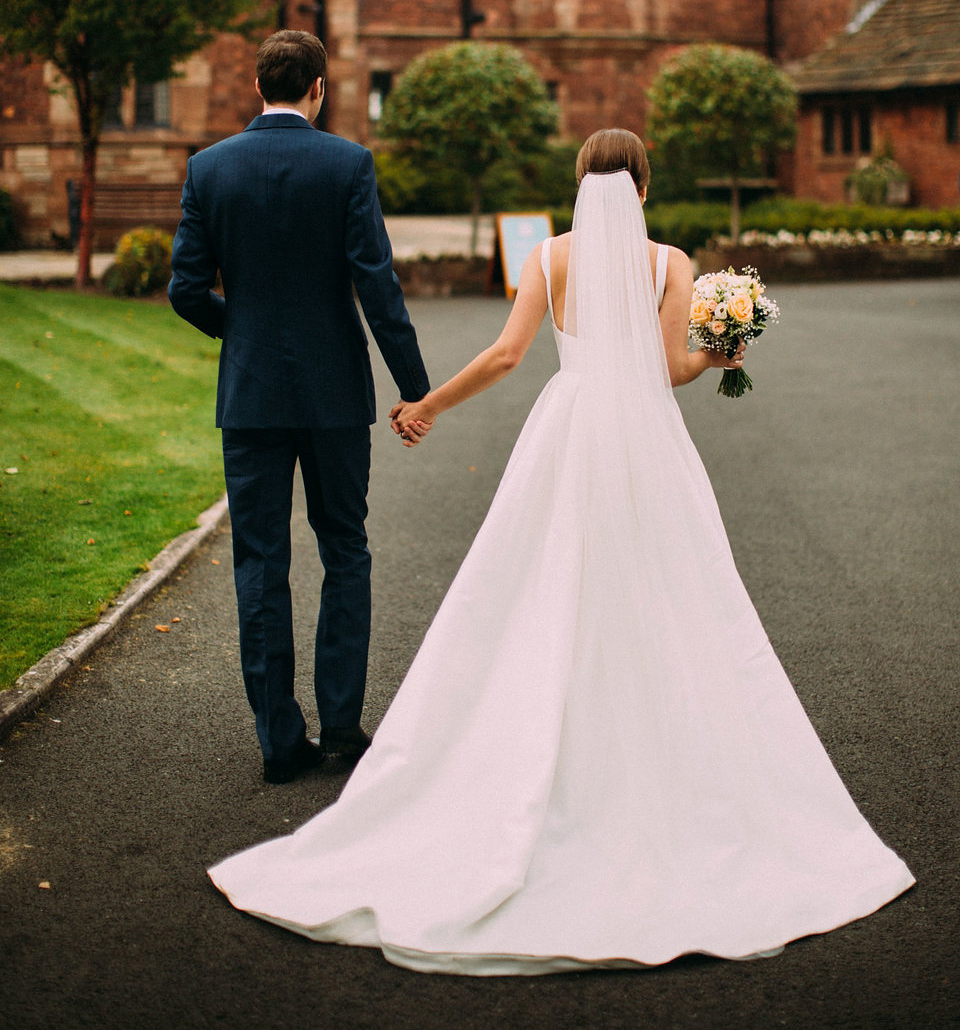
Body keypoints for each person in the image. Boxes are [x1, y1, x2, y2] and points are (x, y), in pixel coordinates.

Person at [208, 128, 913, 972]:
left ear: (579, 183)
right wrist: (728, 344)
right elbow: (671, 370)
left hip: (569, 430)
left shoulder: (548, 258)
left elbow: (507, 355)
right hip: (646, 441)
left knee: (538, 589)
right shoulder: (669, 262)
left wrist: (427, 405)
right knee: (669, 592)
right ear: (643, 189)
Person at [168, 30, 430, 785]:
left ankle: (279, 741)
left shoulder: (208, 168)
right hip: (335, 394)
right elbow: (376, 284)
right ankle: (342, 728)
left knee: (260, 561)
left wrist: (242, 332)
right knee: (345, 548)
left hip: (250, 396)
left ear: (261, 88)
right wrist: (414, 386)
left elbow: (186, 290)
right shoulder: (347, 163)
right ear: (318, 89)